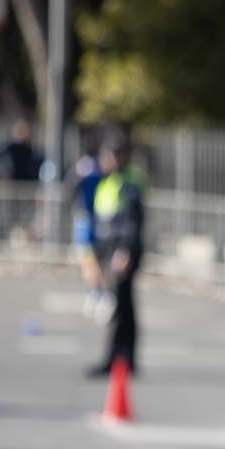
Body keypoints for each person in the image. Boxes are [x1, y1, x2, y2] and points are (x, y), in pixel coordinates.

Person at [86, 131, 146, 378]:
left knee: (120, 309)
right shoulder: (108, 182)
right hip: (111, 252)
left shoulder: (127, 183)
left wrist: (124, 252)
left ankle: (117, 359)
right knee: (123, 307)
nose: (103, 159)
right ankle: (124, 359)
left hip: (122, 253)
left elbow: (132, 222)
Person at [69, 140, 108, 320]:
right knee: (93, 260)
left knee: (89, 260)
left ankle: (98, 294)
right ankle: (96, 293)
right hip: (97, 218)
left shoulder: (83, 169)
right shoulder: (100, 170)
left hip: (86, 219)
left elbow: (70, 190)